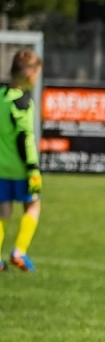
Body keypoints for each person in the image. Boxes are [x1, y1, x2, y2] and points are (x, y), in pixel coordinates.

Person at [0, 50, 43, 273]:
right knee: (33, 205)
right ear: (29, 74)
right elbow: (24, 138)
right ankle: (19, 251)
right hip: (21, 168)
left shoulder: (0, 95)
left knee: (3, 211)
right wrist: (32, 168)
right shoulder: (24, 102)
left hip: (0, 167)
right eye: (37, 74)